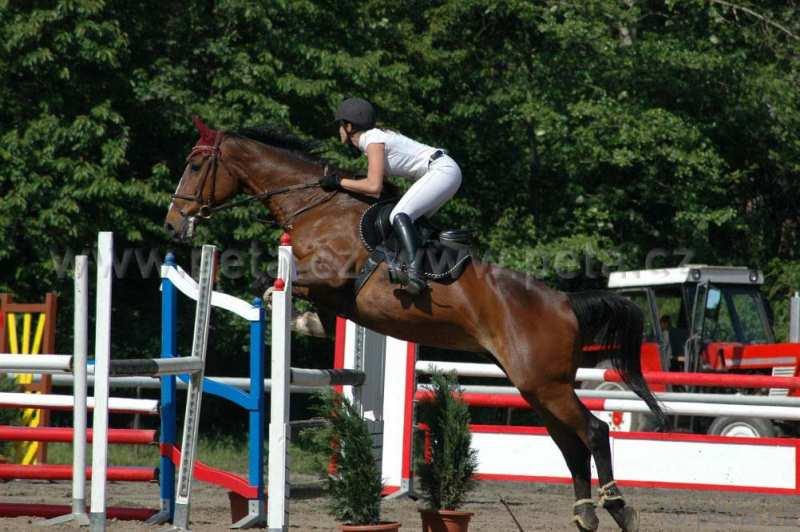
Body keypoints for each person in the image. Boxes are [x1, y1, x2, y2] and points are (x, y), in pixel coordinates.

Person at [319, 97, 462, 295]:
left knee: (399, 215)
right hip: (444, 171)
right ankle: (433, 264)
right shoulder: (374, 139)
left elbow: (373, 186)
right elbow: (377, 186)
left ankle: (415, 274)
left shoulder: (372, 140)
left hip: (441, 170)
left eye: (340, 125)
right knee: (411, 221)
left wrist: (339, 182)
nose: (339, 130)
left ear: (349, 126)